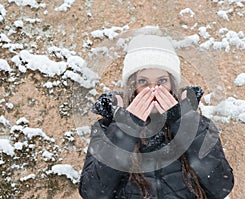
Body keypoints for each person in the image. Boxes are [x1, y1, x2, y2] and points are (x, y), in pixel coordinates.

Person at [79, 34, 234, 199]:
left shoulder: (198, 124)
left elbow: (221, 186)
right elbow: (93, 193)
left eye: (161, 81)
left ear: (172, 85)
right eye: (143, 81)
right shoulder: (108, 128)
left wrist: (183, 122)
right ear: (132, 86)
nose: (153, 89)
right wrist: (126, 128)